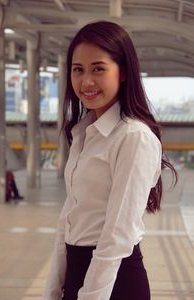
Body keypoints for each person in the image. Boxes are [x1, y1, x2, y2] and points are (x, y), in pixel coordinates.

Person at [42, 21, 177, 300]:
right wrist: (53, 290)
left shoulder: (133, 137)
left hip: (114, 282)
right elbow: (68, 221)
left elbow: (117, 235)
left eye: (98, 69)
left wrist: (91, 295)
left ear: (124, 71)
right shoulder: (84, 133)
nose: (86, 81)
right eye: (78, 70)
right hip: (78, 271)